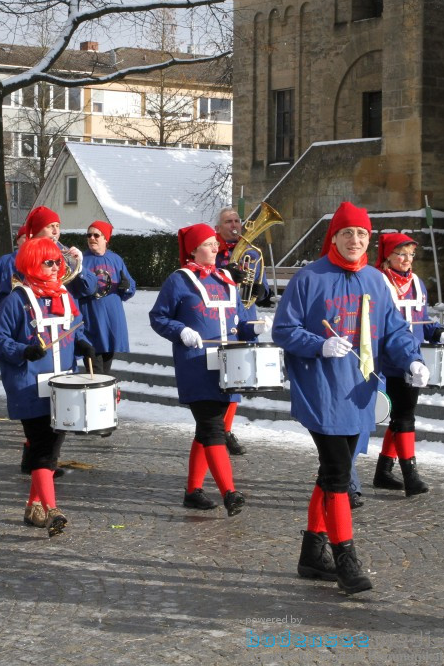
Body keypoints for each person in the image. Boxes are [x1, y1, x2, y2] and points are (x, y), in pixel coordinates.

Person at [272, 202, 427, 596]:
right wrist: (319, 345)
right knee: (339, 473)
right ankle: (346, 560)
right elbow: (284, 330)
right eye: (347, 233)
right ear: (334, 237)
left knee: (332, 472)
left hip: (360, 391)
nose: (354, 240)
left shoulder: (376, 280)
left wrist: (412, 360)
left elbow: (392, 330)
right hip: (321, 390)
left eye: (361, 234)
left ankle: (311, 553)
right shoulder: (309, 279)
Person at [149, 223, 267, 517]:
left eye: (216, 243)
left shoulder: (227, 278)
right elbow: (158, 317)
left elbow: (238, 321)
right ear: (193, 249)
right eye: (208, 244)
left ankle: (192, 491)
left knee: (207, 428)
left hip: (229, 366)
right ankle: (230, 492)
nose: (216, 248)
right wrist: (180, 330)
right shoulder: (179, 280)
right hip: (197, 366)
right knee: (214, 428)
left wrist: (253, 327)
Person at [0, 237, 95, 537]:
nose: (54, 267)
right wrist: (22, 351)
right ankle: (51, 510)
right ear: (31, 264)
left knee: (51, 450)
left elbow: (76, 327)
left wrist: (83, 345)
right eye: (48, 262)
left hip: (63, 385)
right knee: (41, 450)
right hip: (28, 386)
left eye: (56, 262)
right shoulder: (15, 300)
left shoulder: (64, 294)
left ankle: (33, 506)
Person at [369, 233, 444, 498]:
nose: (407, 259)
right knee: (404, 415)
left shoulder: (416, 282)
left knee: (402, 413)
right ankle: (410, 475)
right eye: (401, 254)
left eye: (410, 254)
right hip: (387, 355)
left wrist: (439, 333)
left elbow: (421, 318)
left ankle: (384, 471)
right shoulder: (378, 280)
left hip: (412, 355)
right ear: (388, 255)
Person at [212, 207, 273, 457]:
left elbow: (264, 289)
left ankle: (226, 430)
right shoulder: (212, 250)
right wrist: (227, 273)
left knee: (239, 376)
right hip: (222, 321)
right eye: (228, 221)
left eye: (237, 220)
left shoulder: (251, 253)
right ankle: (218, 429)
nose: (235, 224)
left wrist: (261, 290)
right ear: (218, 228)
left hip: (247, 318)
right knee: (221, 377)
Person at [71, 220, 136, 376]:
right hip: (90, 321)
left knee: (105, 372)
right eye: (89, 235)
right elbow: (74, 289)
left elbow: (130, 287)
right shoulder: (81, 260)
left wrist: (125, 286)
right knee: (95, 372)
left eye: (96, 235)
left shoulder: (116, 259)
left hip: (111, 322)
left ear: (105, 239)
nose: (91, 238)